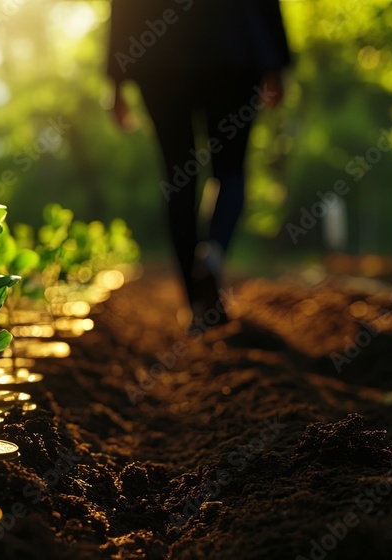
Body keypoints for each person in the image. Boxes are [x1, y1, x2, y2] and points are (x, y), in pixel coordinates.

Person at [106, 0, 292, 332]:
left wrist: (116, 79)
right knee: (231, 168)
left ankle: (195, 305)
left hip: (159, 54)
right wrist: (276, 58)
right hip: (234, 47)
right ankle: (213, 252)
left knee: (179, 177)